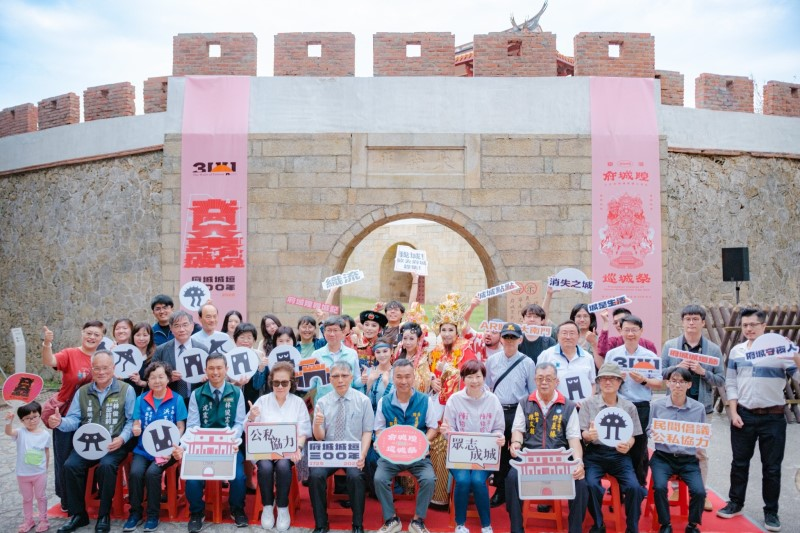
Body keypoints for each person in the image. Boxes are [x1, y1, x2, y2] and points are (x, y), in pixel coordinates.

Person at [717, 308, 800, 532]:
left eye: (753, 324)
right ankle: (735, 503)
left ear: (764, 326)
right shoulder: (737, 351)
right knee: (739, 463)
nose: (749, 329)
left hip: (773, 417)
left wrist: (793, 353)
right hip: (743, 415)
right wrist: (733, 412)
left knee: (771, 467)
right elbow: (731, 383)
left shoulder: (780, 350)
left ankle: (771, 512)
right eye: (745, 325)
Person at [50, 350, 136, 533]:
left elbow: (131, 421)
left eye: (105, 368)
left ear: (113, 368)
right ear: (91, 369)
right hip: (88, 443)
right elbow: (74, 420)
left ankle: (104, 515)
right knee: (70, 466)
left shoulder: (126, 390)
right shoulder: (82, 391)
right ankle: (78, 514)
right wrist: (60, 422)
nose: (101, 372)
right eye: (97, 368)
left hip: (114, 442)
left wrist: (122, 439)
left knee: (106, 466)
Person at [506, 362, 588, 533]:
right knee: (512, 478)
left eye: (549, 379)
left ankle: (575, 529)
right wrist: (516, 443)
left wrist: (578, 462)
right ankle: (516, 529)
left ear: (556, 381)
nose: (544, 382)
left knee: (580, 481)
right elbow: (518, 430)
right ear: (534, 380)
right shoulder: (525, 402)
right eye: (540, 378)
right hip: (531, 458)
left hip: (558, 459)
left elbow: (574, 438)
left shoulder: (568, 406)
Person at [661, 304, 724, 512]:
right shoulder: (670, 346)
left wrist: (702, 371)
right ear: (682, 322)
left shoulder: (713, 349)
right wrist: (677, 366)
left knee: (699, 451)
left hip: (701, 408)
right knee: (673, 448)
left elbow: (720, 380)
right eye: (687, 319)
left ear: (703, 322)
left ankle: (701, 492)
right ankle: (676, 489)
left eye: (695, 319)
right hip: (673, 406)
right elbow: (661, 373)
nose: (691, 322)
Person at [177, 353, 248, 531]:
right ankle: (196, 512)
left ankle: (237, 508)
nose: (215, 372)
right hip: (203, 447)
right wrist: (184, 445)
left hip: (228, 446)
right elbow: (193, 425)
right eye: (211, 368)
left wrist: (232, 439)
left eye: (219, 368)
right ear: (205, 370)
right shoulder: (197, 394)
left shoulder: (236, 392)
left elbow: (239, 423)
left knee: (239, 477)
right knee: (192, 478)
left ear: (226, 369)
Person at [41, 321, 102, 513]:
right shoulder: (70, 354)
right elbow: (49, 361)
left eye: (97, 334)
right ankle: (66, 498)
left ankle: (89, 494)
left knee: (89, 455)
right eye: (89, 333)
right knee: (64, 458)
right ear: (82, 333)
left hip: (92, 416)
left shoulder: (102, 358)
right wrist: (47, 344)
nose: (92, 337)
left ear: (102, 338)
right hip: (66, 414)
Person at [374, 358, 440, 533]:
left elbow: (433, 427)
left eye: (407, 376)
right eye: (399, 377)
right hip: (391, 456)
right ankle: (391, 518)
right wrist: (379, 442)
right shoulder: (384, 402)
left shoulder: (425, 400)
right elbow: (379, 428)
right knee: (379, 479)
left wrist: (424, 442)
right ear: (393, 377)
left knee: (429, 479)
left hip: (418, 456)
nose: (403, 381)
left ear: (414, 377)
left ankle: (418, 520)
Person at [579, 363, 646, 533]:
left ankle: (632, 527)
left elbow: (633, 435)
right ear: (598, 382)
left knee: (634, 488)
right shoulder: (588, 404)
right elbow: (582, 432)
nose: (608, 382)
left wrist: (628, 444)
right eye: (603, 379)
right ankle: (598, 523)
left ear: (619, 382)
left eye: (612, 379)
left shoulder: (629, 407)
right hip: (595, 454)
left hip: (619, 455)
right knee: (590, 484)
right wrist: (589, 436)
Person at [309, 361, 374, 533]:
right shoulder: (322, 402)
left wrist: (363, 454)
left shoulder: (363, 401)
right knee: (315, 475)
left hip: (352, 452)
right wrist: (317, 424)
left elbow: (367, 431)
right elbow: (319, 437)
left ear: (351, 377)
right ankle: (321, 524)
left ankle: (357, 524)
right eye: (335, 376)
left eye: (344, 376)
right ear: (330, 379)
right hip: (329, 451)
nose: (340, 380)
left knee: (356, 477)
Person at [441, 360, 504, 533]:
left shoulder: (493, 400)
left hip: (483, 455)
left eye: (478, 376)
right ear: (463, 379)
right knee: (463, 480)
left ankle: (486, 524)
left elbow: (498, 428)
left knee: (477, 480)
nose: (474, 381)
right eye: (470, 377)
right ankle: (460, 524)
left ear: (484, 378)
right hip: (460, 454)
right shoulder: (454, 400)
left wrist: (499, 437)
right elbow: (449, 430)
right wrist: (446, 431)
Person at [124, 361, 187, 533]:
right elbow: (136, 422)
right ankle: (135, 513)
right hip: (143, 449)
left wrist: (173, 446)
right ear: (148, 380)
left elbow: (181, 426)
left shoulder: (177, 399)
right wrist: (136, 428)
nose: (157, 381)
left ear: (168, 379)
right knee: (135, 473)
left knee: (152, 473)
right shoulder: (141, 399)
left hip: (167, 450)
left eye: (161, 377)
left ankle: (153, 515)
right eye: (152, 378)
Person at [248, 361, 311, 531]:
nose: (280, 387)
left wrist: (298, 447)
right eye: (276, 383)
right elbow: (250, 430)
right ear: (271, 383)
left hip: (289, 451)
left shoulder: (298, 402)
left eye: (284, 382)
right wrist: (252, 417)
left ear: (291, 383)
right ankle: (268, 506)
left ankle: (283, 507)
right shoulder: (263, 401)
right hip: (264, 451)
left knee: (283, 466)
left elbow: (304, 431)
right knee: (265, 467)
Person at [428, 293, 477, 507]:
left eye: (450, 329)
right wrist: (432, 380)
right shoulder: (435, 350)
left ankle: (456, 496)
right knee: (436, 446)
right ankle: (437, 495)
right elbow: (428, 373)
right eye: (443, 329)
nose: (447, 334)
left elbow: (471, 376)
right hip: (438, 405)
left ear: (457, 330)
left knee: (452, 447)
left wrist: (448, 370)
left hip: (460, 408)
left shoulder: (466, 349)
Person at [604, 314, 662, 486]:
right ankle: (617, 486)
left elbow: (659, 383)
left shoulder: (649, 356)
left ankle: (637, 485)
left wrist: (643, 380)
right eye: (627, 330)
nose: (630, 334)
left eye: (634, 330)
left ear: (641, 331)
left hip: (640, 406)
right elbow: (604, 380)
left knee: (639, 446)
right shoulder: (612, 355)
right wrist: (616, 378)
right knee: (616, 444)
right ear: (621, 331)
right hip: (618, 404)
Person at [484, 322, 536, 508]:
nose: (509, 341)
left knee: (515, 449)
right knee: (497, 450)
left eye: (513, 337)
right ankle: (500, 488)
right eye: (506, 337)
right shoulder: (492, 361)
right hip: (497, 410)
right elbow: (486, 385)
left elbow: (532, 391)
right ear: (501, 339)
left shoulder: (528, 362)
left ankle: (513, 490)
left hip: (518, 411)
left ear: (520, 340)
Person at [649, 367, 707, 533]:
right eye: (674, 381)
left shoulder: (699, 408)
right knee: (660, 487)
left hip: (688, 459)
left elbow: (702, 432)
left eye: (682, 381)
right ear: (667, 383)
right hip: (663, 457)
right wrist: (653, 432)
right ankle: (665, 524)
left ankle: (692, 524)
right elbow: (647, 429)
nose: (677, 385)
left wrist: (703, 437)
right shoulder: (656, 405)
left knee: (699, 491)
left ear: (689, 385)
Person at [5, 401, 51, 533]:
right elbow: (9, 432)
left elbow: (46, 451)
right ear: (21, 420)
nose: (32, 420)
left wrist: (45, 468)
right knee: (27, 499)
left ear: (40, 415)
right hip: (23, 474)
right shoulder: (20, 432)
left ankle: (43, 520)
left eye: (35, 416)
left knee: (41, 497)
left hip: (39, 473)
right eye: (27, 418)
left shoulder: (45, 435)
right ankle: (28, 520)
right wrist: (8, 422)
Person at [152, 311, 209, 403]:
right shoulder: (161, 350)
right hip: (170, 400)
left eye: (185, 325)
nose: (181, 329)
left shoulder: (202, 349)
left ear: (192, 326)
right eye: (177, 326)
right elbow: (152, 375)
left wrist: (207, 377)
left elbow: (210, 372)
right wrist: (167, 378)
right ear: (171, 328)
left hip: (198, 399)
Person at [538, 321, 597, 407]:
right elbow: (538, 380)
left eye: (572, 333)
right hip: (553, 406)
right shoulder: (546, 355)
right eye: (564, 333)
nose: (568, 337)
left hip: (581, 407)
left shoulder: (588, 357)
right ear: (558, 336)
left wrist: (587, 401)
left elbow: (593, 383)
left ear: (578, 336)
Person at [312, 316, 362, 401]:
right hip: (324, 403)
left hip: (347, 402)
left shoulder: (352, 354)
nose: (332, 334)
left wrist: (364, 379)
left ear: (343, 333)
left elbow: (356, 381)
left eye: (335, 330)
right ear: (324, 332)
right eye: (328, 330)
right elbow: (313, 383)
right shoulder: (316, 355)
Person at [127, 322, 156, 395]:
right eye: (138, 335)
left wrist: (141, 382)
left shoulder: (156, 356)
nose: (141, 338)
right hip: (126, 395)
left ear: (150, 337)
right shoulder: (126, 355)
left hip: (147, 396)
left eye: (145, 335)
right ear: (133, 337)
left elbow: (158, 381)